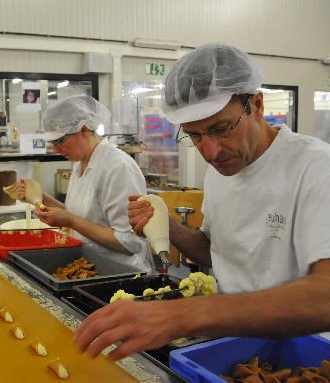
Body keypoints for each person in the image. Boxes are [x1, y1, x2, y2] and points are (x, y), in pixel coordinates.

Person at [73, 43, 330, 360]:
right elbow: (216, 248)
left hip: (303, 355)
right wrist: (168, 228)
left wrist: (185, 314)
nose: (210, 152)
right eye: (195, 136)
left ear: (257, 105)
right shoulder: (221, 169)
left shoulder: (315, 168)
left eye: (221, 129)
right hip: (233, 345)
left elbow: (325, 295)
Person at [17, 94, 152, 272]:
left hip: (121, 273)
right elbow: (82, 216)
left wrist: (71, 221)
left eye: (61, 141)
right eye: (53, 143)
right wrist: (42, 198)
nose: (56, 150)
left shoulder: (117, 167)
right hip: (88, 264)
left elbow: (129, 243)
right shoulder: (79, 164)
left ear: (84, 129)